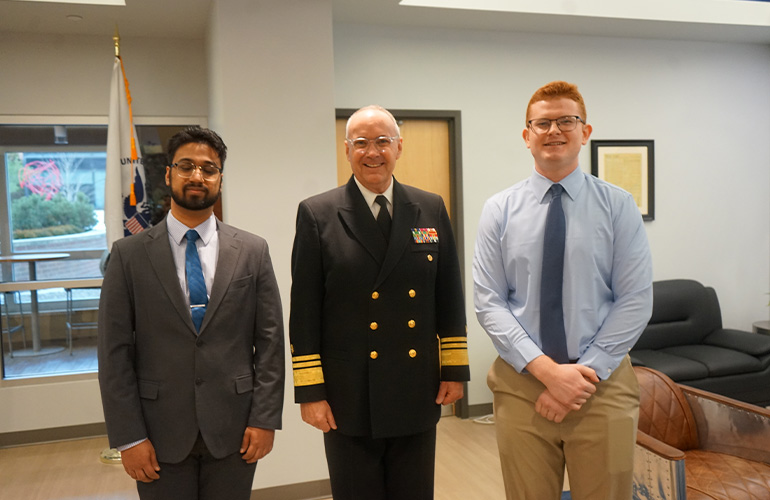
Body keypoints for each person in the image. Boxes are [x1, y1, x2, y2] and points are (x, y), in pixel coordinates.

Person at [473, 81, 653, 500]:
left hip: (602, 386)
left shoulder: (618, 205)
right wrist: (548, 373)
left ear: (585, 131)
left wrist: (581, 376)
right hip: (522, 387)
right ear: (527, 136)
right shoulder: (499, 210)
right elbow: (489, 302)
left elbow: (635, 299)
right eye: (543, 123)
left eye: (567, 121)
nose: (554, 130)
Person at [289, 105, 470, 500]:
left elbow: (449, 294)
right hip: (349, 393)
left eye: (383, 141)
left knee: (414, 492)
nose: (373, 152)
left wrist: (454, 369)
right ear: (347, 150)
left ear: (399, 147)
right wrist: (310, 391)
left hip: (415, 387)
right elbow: (304, 313)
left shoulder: (430, 207)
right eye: (362, 143)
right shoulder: (318, 214)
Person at [97, 126, 285, 500]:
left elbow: (270, 343)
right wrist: (129, 436)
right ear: (168, 174)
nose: (197, 175)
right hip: (157, 432)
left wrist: (265, 419)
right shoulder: (128, 255)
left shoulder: (252, 250)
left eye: (209, 168)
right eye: (186, 166)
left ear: (219, 179)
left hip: (235, 431)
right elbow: (114, 353)